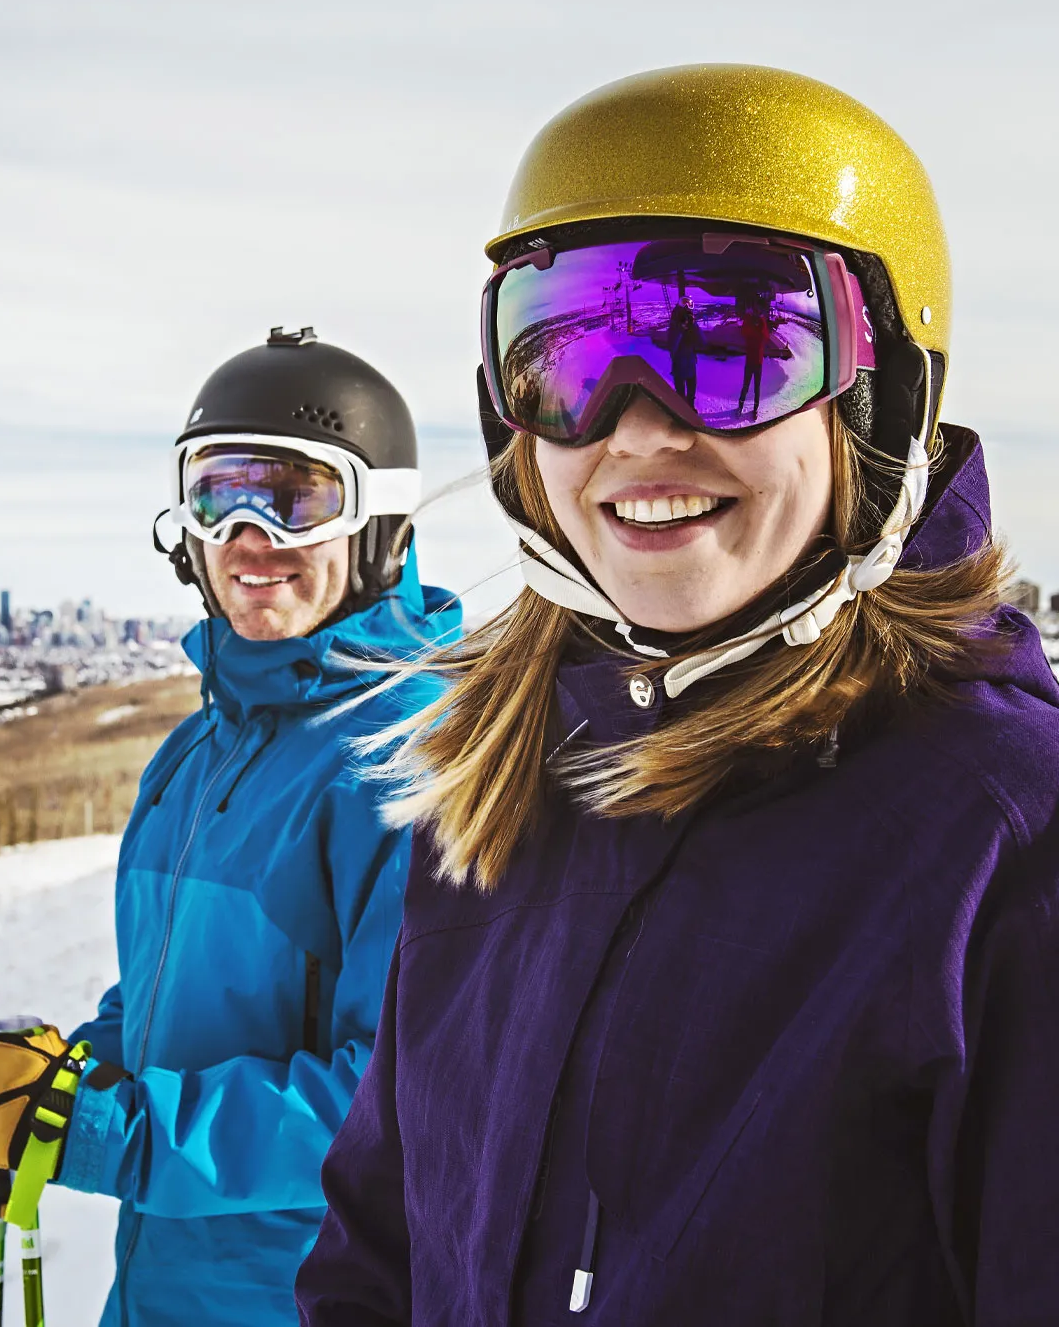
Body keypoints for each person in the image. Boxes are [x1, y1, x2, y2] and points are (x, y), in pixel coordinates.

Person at [298, 64, 1059, 1325]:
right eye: (567, 355)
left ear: (882, 401)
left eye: (733, 348)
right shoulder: (500, 788)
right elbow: (379, 1251)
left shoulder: (1007, 845)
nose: (636, 429)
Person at [0, 327, 461, 1324]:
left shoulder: (411, 765)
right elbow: (169, 997)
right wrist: (64, 1086)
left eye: (299, 497)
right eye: (219, 495)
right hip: (161, 1290)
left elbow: (401, 1095)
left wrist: (114, 1136)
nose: (250, 536)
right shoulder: (196, 752)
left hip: (307, 1297)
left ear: (381, 526)